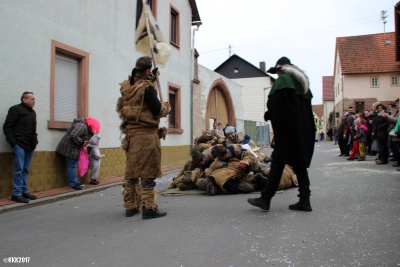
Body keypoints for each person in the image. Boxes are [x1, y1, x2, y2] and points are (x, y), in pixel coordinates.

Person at [247, 56, 315, 212]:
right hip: (303, 131)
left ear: (280, 70)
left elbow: (279, 106)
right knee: (299, 165)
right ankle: (305, 200)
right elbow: (296, 109)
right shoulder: (302, 85)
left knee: (278, 163)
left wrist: (270, 114)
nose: (277, 76)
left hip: (289, 132)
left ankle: (265, 199)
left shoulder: (283, 80)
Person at [116, 56, 170, 219]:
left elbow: (133, 99)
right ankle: (149, 208)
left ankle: (131, 207)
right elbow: (157, 110)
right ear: (147, 70)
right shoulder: (147, 88)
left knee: (131, 173)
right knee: (147, 172)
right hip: (147, 136)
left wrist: (152, 77)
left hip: (131, 136)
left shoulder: (126, 87)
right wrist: (166, 107)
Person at [3, 92, 38, 203]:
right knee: (19, 169)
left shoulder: (32, 112)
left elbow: (33, 129)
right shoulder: (15, 109)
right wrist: (13, 143)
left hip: (30, 145)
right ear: (24, 99)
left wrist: (35, 141)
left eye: (34, 99)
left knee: (25, 169)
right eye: (31, 99)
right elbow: (7, 127)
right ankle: (16, 193)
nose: (34, 101)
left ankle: (24, 191)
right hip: (20, 144)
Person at [56, 117, 100, 190]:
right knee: (72, 166)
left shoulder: (84, 127)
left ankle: (75, 182)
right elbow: (73, 135)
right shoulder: (82, 126)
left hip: (72, 148)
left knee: (73, 165)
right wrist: (82, 142)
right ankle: (73, 184)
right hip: (70, 148)